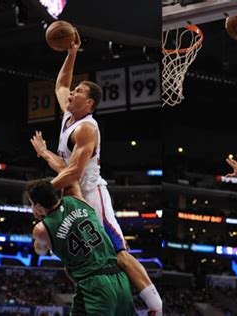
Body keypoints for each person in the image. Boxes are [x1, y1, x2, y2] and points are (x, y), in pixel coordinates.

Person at [30, 31, 162, 315]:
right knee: (75, 259)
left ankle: (156, 306)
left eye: (79, 92)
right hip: (72, 191)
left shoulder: (87, 127)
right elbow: (61, 84)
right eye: (75, 90)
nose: (73, 92)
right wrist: (72, 53)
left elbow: (75, 171)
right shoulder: (68, 116)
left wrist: (41, 193)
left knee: (117, 252)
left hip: (91, 191)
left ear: (89, 103)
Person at [27, 178, 136, 315]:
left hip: (94, 285)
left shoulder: (42, 229)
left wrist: (43, 221)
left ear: (38, 206)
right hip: (120, 278)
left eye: (31, 204)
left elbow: (40, 250)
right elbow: (71, 174)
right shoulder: (77, 199)